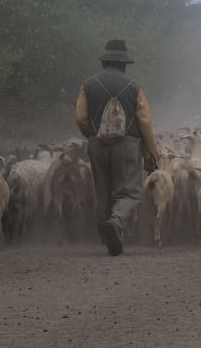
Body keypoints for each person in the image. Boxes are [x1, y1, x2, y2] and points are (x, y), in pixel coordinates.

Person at [74, 39, 159, 256]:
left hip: (97, 143)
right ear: (124, 64)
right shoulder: (134, 87)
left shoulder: (88, 85)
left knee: (103, 192)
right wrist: (151, 153)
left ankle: (106, 236)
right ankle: (116, 222)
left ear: (104, 62)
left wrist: (91, 135)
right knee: (129, 192)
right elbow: (145, 122)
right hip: (127, 144)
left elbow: (81, 117)